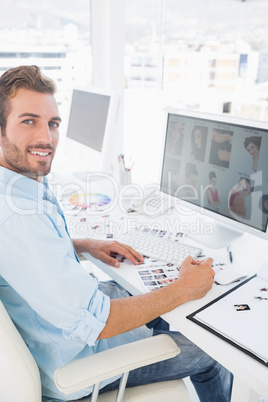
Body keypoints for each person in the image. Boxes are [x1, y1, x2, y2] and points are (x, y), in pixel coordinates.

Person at [0, 66, 233, 402]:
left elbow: (31, 258)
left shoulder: (16, 186)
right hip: (76, 365)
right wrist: (183, 288)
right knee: (214, 351)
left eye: (52, 123)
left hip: (57, 332)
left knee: (148, 294)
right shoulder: (17, 218)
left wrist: (83, 245)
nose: (46, 138)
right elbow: (98, 323)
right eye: (28, 121)